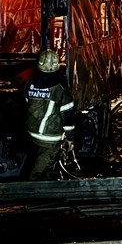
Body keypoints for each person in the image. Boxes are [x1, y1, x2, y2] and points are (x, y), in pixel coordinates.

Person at [25, 48, 76, 180]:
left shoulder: (30, 84)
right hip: (50, 137)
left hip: (32, 133)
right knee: (40, 172)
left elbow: (27, 102)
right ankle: (32, 193)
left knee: (34, 161)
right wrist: (70, 138)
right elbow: (68, 117)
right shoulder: (61, 89)